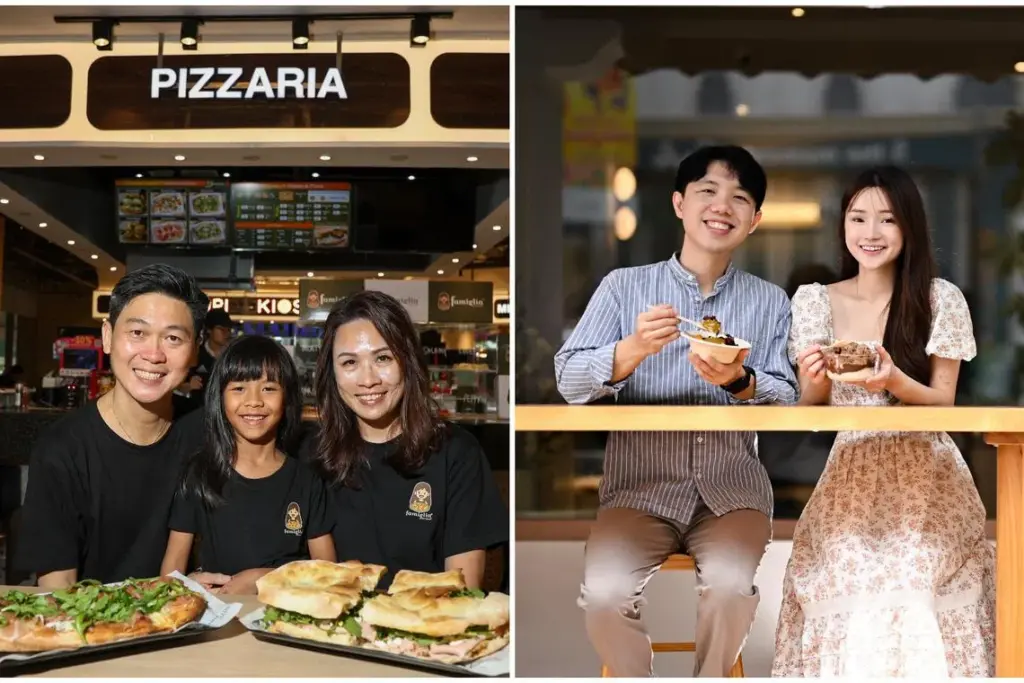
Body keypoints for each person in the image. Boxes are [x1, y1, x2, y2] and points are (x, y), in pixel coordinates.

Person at [554, 145, 798, 678]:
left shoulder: (771, 302)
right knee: (604, 595)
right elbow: (569, 382)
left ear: (754, 221)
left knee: (732, 589)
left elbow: (788, 397)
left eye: (739, 198)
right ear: (679, 203)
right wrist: (631, 349)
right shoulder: (624, 288)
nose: (722, 207)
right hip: (638, 490)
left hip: (732, 493)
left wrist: (741, 381)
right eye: (708, 191)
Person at [772, 166, 994, 677]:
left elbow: (943, 405)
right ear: (843, 225)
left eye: (886, 220)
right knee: (845, 583)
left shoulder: (940, 299)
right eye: (858, 218)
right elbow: (813, 412)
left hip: (929, 478)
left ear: (908, 227)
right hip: (850, 474)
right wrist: (814, 379)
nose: (870, 233)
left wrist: (891, 380)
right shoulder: (814, 301)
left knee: (910, 584)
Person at [17, 264, 208, 588]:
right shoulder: (62, 450)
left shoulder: (206, 430)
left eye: (173, 338)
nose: (154, 354)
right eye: (137, 333)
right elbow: (57, 588)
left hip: (194, 626)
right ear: (107, 336)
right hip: (96, 628)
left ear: (194, 351)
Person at [302, 290, 508, 591]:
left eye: (383, 358)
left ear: (407, 361)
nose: (368, 379)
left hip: (426, 626)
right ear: (331, 373)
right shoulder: (312, 455)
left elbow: (463, 590)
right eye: (349, 363)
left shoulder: (457, 453)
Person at [161, 335, 335, 595]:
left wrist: (262, 578)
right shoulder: (200, 473)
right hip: (219, 626)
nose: (254, 401)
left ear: (287, 396)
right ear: (220, 397)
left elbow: (329, 572)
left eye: (269, 388)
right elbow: (170, 573)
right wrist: (185, 586)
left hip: (284, 622)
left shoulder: (306, 480)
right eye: (239, 388)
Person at [176, 308, 234, 412]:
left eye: (229, 330)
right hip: (197, 412)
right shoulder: (195, 354)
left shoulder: (232, 357)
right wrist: (189, 386)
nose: (226, 333)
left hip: (226, 411)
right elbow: (176, 385)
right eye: (221, 329)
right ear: (209, 330)